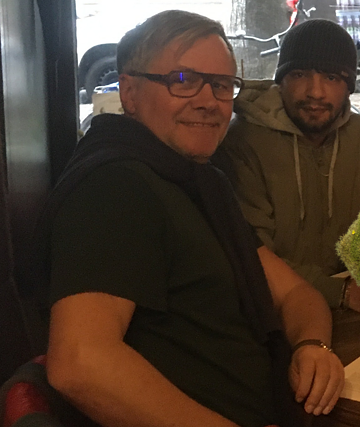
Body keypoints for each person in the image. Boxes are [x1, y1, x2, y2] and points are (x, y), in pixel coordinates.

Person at [36, 11, 344, 426]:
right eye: (182, 80)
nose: (207, 100)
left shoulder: (200, 183)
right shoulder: (116, 185)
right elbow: (80, 363)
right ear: (129, 92)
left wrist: (312, 347)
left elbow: (294, 294)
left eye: (220, 85)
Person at [216, 19, 360, 315]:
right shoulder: (243, 143)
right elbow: (252, 255)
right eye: (299, 75)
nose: (316, 92)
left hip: (358, 300)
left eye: (332, 78)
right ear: (280, 80)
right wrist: (341, 292)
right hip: (271, 308)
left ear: (348, 86)